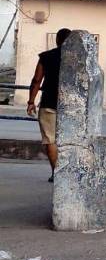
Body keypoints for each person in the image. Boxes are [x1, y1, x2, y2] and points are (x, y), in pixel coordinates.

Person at [27, 28, 71, 182]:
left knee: (50, 140)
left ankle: (57, 174)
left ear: (57, 40)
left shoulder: (46, 57)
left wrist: (31, 102)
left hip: (48, 104)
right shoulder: (77, 59)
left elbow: (37, 80)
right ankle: (68, 174)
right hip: (72, 107)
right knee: (70, 141)